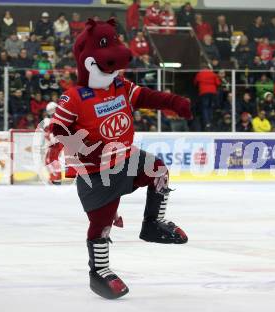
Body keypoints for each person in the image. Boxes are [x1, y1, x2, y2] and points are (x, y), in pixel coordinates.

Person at [49, 19, 190, 299]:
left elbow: (146, 96)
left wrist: (172, 102)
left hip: (126, 157)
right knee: (101, 224)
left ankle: (153, 223)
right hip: (96, 173)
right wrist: (92, 148)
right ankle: (99, 271)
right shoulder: (74, 97)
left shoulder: (119, 85)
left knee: (159, 170)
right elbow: (59, 130)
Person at [194, 64, 221, 130]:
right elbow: (218, 83)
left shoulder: (199, 73)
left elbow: (195, 82)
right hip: (212, 92)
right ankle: (210, 121)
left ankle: (207, 122)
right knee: (210, 107)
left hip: (203, 92)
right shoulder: (213, 74)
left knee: (205, 108)